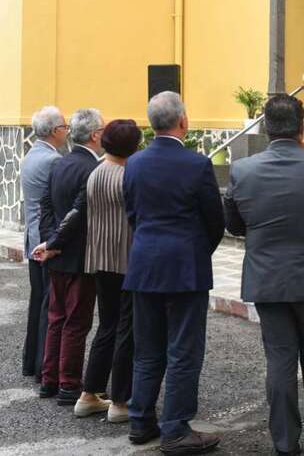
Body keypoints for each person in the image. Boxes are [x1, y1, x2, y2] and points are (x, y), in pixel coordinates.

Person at [223, 95, 304, 456]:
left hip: (269, 278)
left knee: (280, 361)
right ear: (302, 126)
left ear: (266, 127)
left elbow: (234, 224)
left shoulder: (242, 170)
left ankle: (284, 442)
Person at [122, 91, 224, 453]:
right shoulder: (197, 164)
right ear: (183, 121)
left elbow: (132, 213)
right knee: (183, 350)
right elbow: (215, 220)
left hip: (144, 263)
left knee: (147, 349)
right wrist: (196, 250)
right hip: (185, 267)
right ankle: (176, 429)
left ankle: (140, 420)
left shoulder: (134, 163)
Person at [58, 120, 140, 421]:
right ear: (133, 147)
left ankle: (89, 394)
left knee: (106, 327)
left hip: (100, 258)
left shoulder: (95, 173)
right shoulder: (128, 176)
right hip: (126, 258)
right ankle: (120, 402)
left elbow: (79, 212)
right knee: (126, 331)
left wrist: (53, 242)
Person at [33, 108, 104, 406]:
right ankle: (69, 384)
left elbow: (45, 206)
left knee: (56, 318)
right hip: (78, 256)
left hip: (58, 255)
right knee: (76, 322)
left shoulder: (60, 163)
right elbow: (78, 213)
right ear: (95, 135)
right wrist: (55, 242)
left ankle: (49, 379)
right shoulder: (92, 169)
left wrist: (50, 242)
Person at [20, 106, 67, 380]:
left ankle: (31, 361)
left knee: (38, 300)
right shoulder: (53, 160)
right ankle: (43, 365)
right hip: (46, 242)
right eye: (64, 127)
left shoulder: (30, 155)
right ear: (54, 131)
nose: (66, 131)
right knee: (50, 305)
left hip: (32, 238)